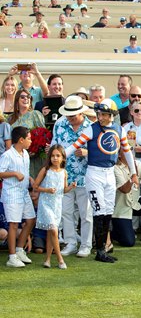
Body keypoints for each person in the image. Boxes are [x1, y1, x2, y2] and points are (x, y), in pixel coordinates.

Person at [65, 99, 138, 263]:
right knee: (98, 211)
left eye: (104, 114)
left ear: (111, 115)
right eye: (98, 114)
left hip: (109, 174)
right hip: (94, 174)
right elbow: (73, 147)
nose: (100, 117)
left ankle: (104, 248)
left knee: (107, 211)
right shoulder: (91, 129)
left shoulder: (120, 130)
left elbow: (127, 153)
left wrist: (133, 173)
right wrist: (58, 157)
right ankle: (99, 251)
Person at [51, 95, 93, 258]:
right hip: (64, 176)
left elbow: (98, 152)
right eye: (68, 115)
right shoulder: (60, 124)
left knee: (86, 213)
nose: (69, 118)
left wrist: (86, 153)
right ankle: (70, 242)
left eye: (73, 116)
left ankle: (86, 244)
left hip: (85, 176)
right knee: (66, 212)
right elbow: (56, 146)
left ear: (81, 113)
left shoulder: (91, 127)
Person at [34, 145, 76, 269]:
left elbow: (63, 190)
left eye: (58, 156)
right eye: (53, 156)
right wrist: (46, 189)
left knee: (52, 232)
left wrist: (71, 187)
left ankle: (47, 260)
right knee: (53, 229)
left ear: (63, 158)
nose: (55, 158)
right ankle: (60, 259)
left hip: (57, 204)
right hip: (45, 203)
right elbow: (35, 186)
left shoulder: (64, 172)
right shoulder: (45, 170)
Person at [0, 126, 35, 268]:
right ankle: (12, 256)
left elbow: (23, 172)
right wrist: (14, 174)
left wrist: (30, 178)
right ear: (21, 140)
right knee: (13, 225)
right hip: (12, 194)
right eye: (29, 138)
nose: (31, 141)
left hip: (24, 192)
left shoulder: (25, 153)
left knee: (31, 220)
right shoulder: (7, 155)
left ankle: (20, 250)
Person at [8, 89, 46, 178]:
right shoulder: (10, 119)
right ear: (17, 100)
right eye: (22, 97)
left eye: (28, 97)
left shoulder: (35, 114)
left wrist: (35, 149)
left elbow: (44, 135)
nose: (26, 99)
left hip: (35, 158)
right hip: (17, 158)